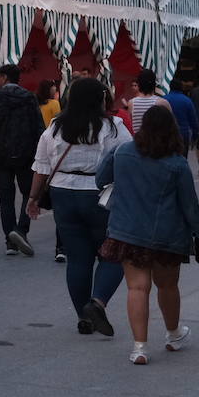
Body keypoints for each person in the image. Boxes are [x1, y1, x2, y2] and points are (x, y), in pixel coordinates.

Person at [98, 105, 199, 364]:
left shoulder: (122, 152)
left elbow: (100, 179)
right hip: (166, 234)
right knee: (167, 285)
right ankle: (173, 334)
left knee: (137, 287)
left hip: (127, 230)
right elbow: (189, 205)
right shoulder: (177, 164)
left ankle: (139, 347)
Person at [27, 77, 132, 336]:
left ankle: (83, 317)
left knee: (78, 258)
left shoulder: (54, 127)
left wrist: (33, 198)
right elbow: (129, 159)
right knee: (113, 252)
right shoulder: (113, 126)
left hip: (63, 194)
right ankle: (97, 303)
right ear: (101, 99)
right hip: (99, 194)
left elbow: (41, 168)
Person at [0, 64, 45, 257]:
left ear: (4, 78)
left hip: (1, 156)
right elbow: (39, 128)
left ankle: (10, 240)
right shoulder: (29, 98)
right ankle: (21, 230)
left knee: (6, 198)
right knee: (28, 194)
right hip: (26, 155)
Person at [128, 69, 170, 134]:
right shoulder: (162, 102)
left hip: (138, 142)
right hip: (156, 142)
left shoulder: (131, 103)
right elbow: (171, 124)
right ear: (154, 84)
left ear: (139, 84)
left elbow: (130, 125)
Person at [165, 80, 199, 155]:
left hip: (167, 133)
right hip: (183, 133)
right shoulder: (187, 101)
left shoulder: (164, 100)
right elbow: (193, 119)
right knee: (182, 157)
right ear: (181, 88)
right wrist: (195, 134)